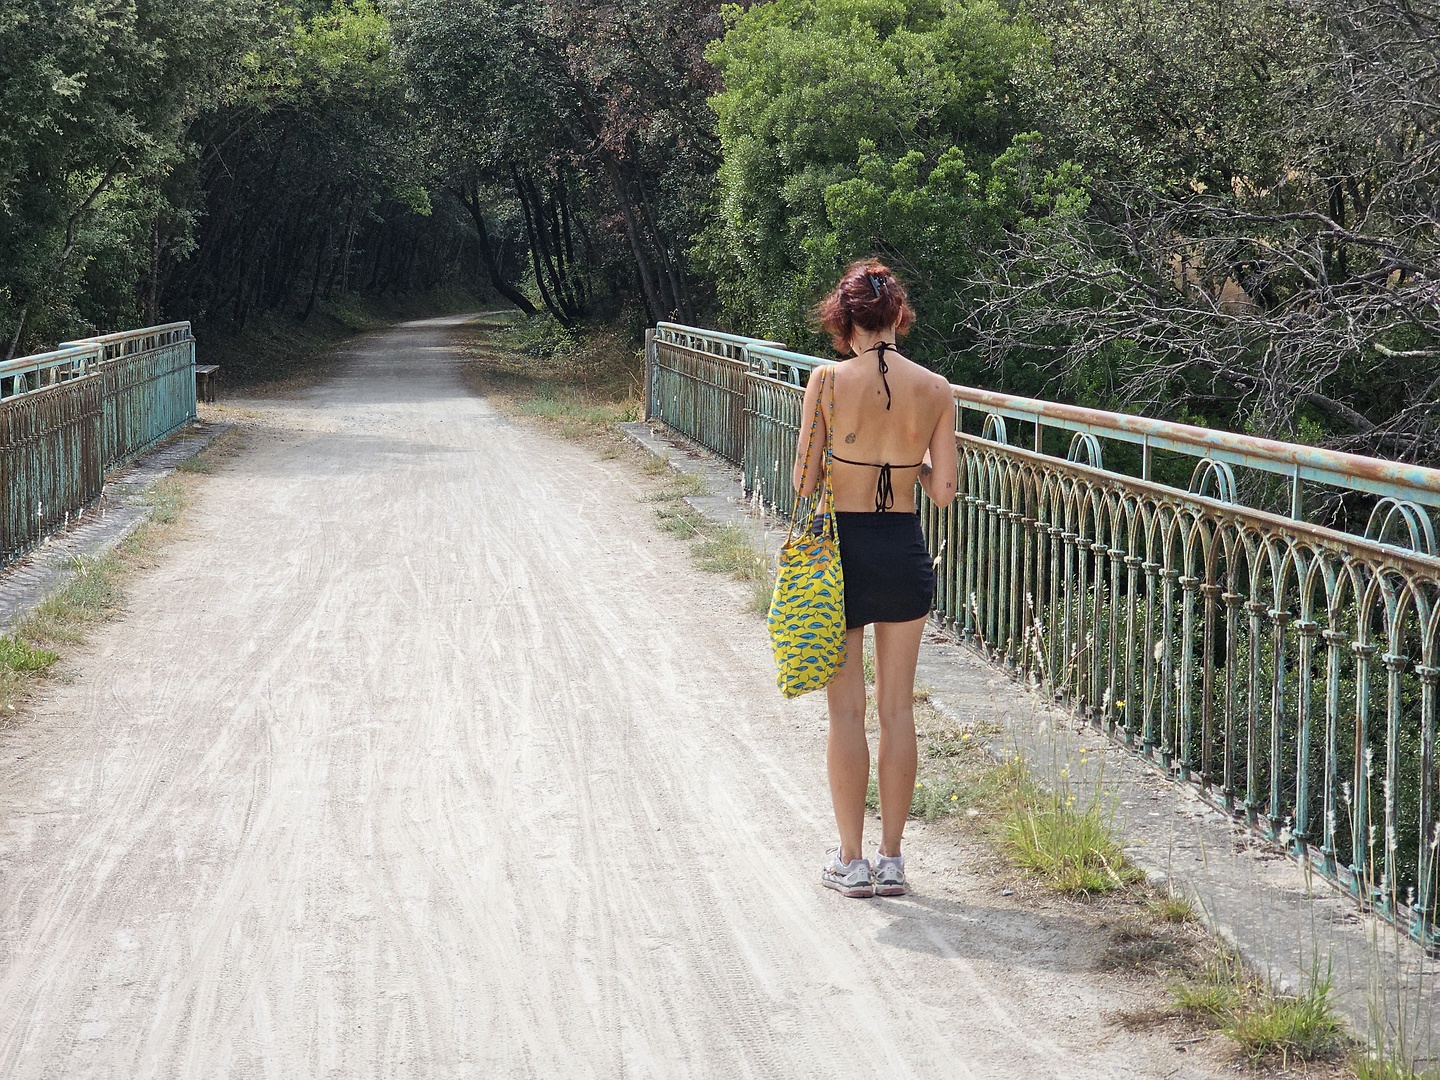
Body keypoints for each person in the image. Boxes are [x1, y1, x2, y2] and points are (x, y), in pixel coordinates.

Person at [793, 260, 959, 898]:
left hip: (843, 555)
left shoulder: (828, 381)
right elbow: (943, 491)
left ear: (845, 320)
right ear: (898, 317)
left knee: (847, 711)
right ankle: (893, 861)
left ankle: (851, 862)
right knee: (897, 710)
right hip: (904, 552)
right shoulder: (937, 390)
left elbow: (804, 481)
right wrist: (908, 466)